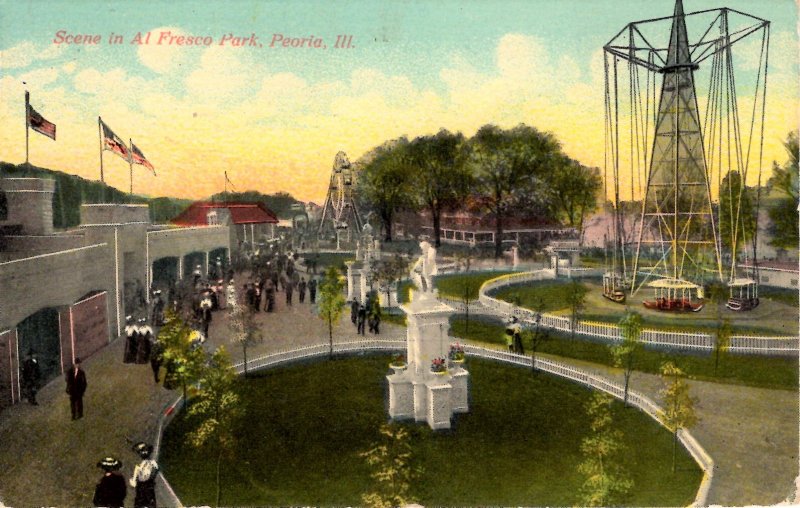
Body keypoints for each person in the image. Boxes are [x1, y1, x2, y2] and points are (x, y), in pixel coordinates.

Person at [130, 442, 158, 508]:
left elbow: (141, 478)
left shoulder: (147, 464)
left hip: (144, 491)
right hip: (146, 490)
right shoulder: (151, 463)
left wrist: (134, 480)